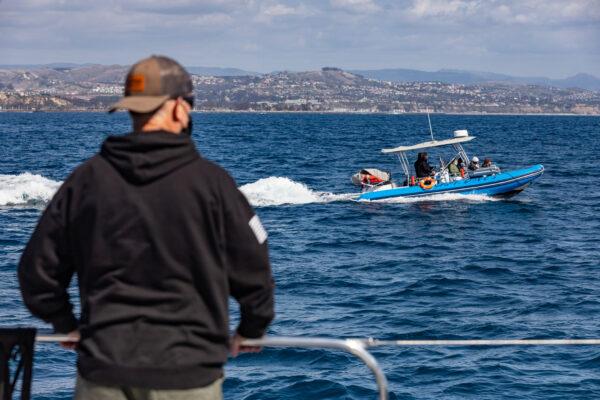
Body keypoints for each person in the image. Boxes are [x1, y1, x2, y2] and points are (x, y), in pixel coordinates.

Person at [18, 55, 274, 400]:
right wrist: (252, 327)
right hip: (188, 375)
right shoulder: (213, 184)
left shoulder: (87, 180)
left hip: (104, 372)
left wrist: (64, 322)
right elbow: (254, 267)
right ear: (179, 108)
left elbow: (37, 272)